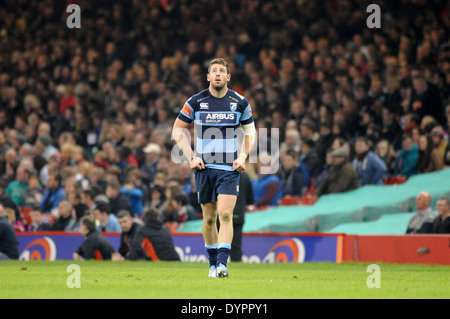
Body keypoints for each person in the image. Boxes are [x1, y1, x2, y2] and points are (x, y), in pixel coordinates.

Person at [171, 58, 255, 278]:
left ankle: (222, 265)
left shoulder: (240, 102)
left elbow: (250, 133)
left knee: (225, 215)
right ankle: (211, 265)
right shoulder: (196, 101)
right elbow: (177, 131)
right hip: (205, 168)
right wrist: (191, 157)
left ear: (228, 77)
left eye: (222, 71)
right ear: (208, 77)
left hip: (230, 168)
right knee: (209, 218)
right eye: (213, 71)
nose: (217, 74)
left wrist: (243, 156)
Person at [112, 207, 180, 262]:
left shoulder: (142, 231)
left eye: (124, 222)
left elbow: (136, 250)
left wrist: (125, 260)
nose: (123, 225)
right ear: (158, 218)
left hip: (158, 261)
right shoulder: (166, 229)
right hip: (176, 259)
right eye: (120, 223)